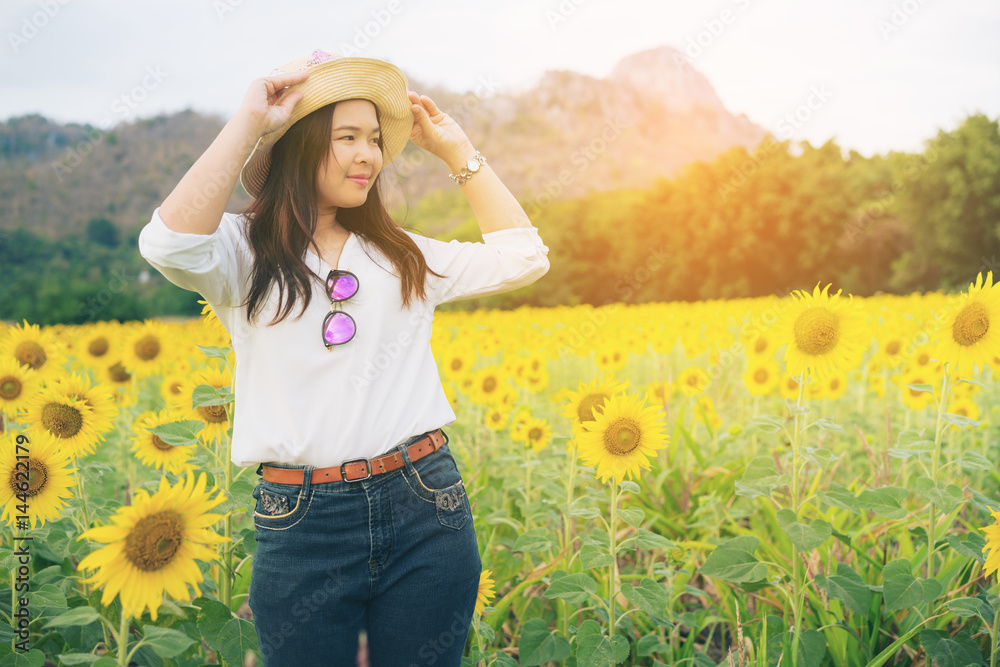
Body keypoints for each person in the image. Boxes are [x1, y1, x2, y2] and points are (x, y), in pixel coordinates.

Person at [137, 48, 550, 666]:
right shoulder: (242, 253)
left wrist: (459, 154)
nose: (369, 155)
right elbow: (167, 243)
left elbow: (524, 257)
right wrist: (251, 121)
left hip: (424, 504)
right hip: (303, 522)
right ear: (299, 144)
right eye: (348, 137)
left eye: (377, 140)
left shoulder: (403, 254)